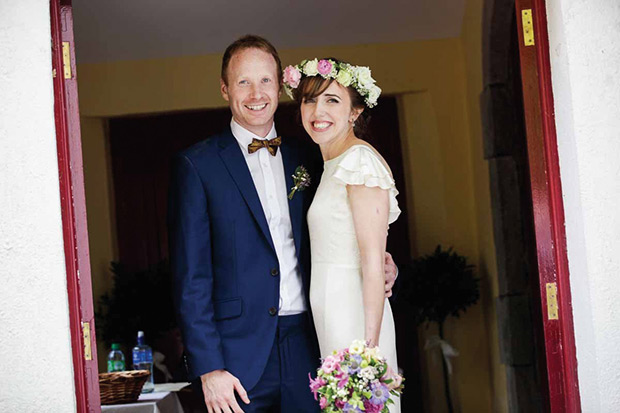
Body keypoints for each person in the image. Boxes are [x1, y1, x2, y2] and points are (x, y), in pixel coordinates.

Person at [168, 36, 398, 413]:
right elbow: (189, 277)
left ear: (280, 87)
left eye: (265, 81)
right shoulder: (196, 165)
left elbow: (346, 228)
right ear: (225, 89)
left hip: (312, 343)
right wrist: (209, 368)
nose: (256, 93)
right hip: (236, 358)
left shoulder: (310, 153)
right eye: (243, 81)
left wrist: (383, 264)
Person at [284, 58, 402, 412]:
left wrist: (368, 352)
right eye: (309, 99)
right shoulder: (331, 164)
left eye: (332, 100)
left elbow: (370, 261)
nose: (318, 110)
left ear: (355, 111)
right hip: (330, 318)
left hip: (354, 319)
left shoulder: (359, 162)